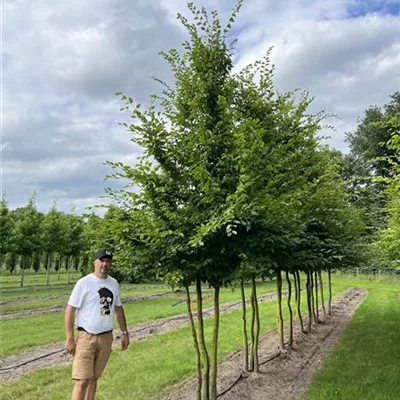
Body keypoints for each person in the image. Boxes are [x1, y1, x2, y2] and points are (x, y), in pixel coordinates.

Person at [64, 249, 130, 400]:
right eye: (102, 260)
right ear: (95, 262)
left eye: (108, 261)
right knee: (82, 380)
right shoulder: (84, 283)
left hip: (106, 338)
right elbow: (70, 310)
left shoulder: (113, 283)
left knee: (94, 378)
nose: (105, 264)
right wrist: (69, 338)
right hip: (87, 337)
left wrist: (125, 333)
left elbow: (118, 309)